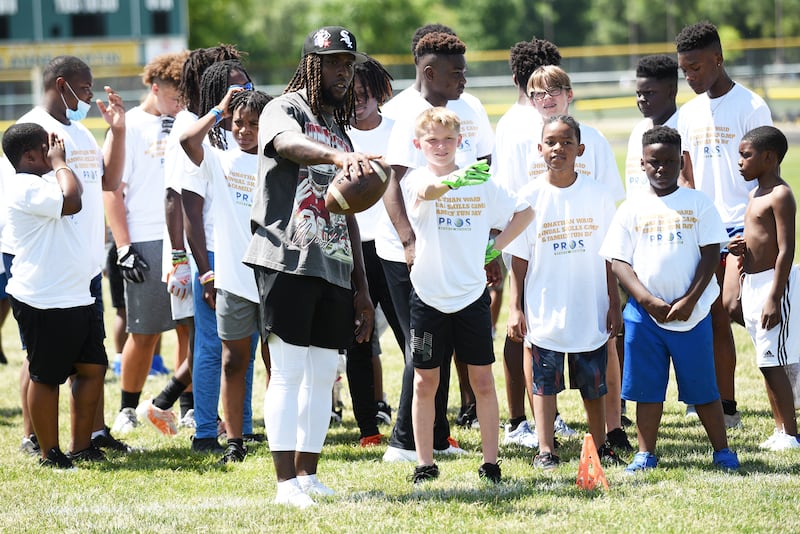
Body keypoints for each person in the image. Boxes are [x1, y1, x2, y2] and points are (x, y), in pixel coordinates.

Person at [242, 25, 374, 508]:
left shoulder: (339, 126)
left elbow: (350, 216)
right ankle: (284, 485)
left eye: (349, 63)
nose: (344, 71)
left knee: (323, 372)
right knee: (290, 369)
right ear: (313, 65)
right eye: (335, 63)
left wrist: (361, 285)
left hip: (334, 264)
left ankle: (308, 474)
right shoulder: (286, 108)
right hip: (287, 256)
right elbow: (285, 145)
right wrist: (341, 155)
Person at [403, 107, 533, 484]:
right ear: (419, 144)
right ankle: (424, 462)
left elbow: (524, 212)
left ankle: (490, 463)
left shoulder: (482, 182)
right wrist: (457, 180)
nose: (440, 147)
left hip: (471, 296)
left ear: (460, 141)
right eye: (432, 140)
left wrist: (495, 247)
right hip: (427, 296)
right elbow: (428, 192)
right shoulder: (417, 178)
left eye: (448, 140)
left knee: (482, 381)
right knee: (425, 382)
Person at [599, 125, 740, 472]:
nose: (661, 168)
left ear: (681, 162)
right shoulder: (631, 209)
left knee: (703, 387)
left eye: (669, 161)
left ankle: (721, 450)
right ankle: (645, 452)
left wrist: (691, 300)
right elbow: (619, 261)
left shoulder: (698, 203)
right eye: (653, 162)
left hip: (691, 314)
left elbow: (710, 254)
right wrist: (646, 301)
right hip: (645, 317)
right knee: (647, 390)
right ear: (642, 165)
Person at [381, 30, 491, 462]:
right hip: (407, 254)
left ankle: (437, 438)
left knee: (439, 347)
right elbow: (393, 189)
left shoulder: (469, 108)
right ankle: (403, 444)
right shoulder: (403, 113)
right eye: (457, 73)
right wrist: (409, 243)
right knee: (423, 348)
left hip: (458, 252)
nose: (464, 80)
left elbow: (483, 174)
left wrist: (485, 248)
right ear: (430, 72)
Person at [16, 55, 132, 455]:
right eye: (84, 89)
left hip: (86, 270)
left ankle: (88, 440)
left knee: (90, 365)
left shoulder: (80, 131)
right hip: (48, 274)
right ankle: (35, 439)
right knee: (42, 365)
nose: (89, 96)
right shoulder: (31, 133)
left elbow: (110, 180)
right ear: (61, 84)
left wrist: (117, 131)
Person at [506, 115, 624, 469]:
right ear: (539, 148)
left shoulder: (599, 196)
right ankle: (546, 449)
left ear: (580, 149)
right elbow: (520, 259)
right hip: (545, 307)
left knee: (594, 385)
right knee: (544, 385)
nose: (559, 148)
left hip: (589, 306)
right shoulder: (528, 198)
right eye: (551, 142)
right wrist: (515, 307)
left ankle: (600, 444)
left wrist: (614, 301)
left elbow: (609, 255)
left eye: (567, 142)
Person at [675, 21, 773, 429]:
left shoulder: (751, 107)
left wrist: (752, 226)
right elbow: (685, 175)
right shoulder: (687, 113)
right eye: (685, 70)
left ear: (718, 59)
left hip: (743, 228)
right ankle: (727, 407)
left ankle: (785, 365)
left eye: (696, 67)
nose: (691, 76)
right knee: (715, 316)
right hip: (705, 231)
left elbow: (765, 174)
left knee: (737, 307)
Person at [148, 44, 244, 432]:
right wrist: (179, 260)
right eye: (226, 76)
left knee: (221, 341)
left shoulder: (226, 125)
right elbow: (175, 197)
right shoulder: (192, 124)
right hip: (201, 251)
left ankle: (185, 407)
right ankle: (200, 418)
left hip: (228, 248)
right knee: (206, 341)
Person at [2, 123, 105, 468]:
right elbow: (72, 201)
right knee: (45, 376)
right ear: (31, 155)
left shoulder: (41, 183)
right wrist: (60, 162)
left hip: (76, 293)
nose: (54, 150)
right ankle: (50, 452)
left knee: (93, 368)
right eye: (47, 147)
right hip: (43, 298)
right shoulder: (24, 186)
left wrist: (60, 165)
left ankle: (81, 446)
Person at [179, 87, 272, 463]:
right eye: (239, 123)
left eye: (254, 124)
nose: (245, 130)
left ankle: (277, 430)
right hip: (232, 279)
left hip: (272, 279)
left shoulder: (278, 163)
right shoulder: (220, 160)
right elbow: (188, 139)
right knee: (232, 361)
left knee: (273, 360)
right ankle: (234, 442)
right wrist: (219, 109)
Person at [103, 51, 184, 435]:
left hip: (183, 235)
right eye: (173, 95)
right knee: (145, 332)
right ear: (155, 88)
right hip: (146, 236)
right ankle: (128, 407)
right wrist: (124, 246)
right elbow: (112, 191)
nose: (179, 103)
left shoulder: (186, 121)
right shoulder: (129, 125)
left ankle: (189, 407)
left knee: (190, 329)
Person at [493, 36, 561, 450]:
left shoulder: (519, 120)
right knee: (524, 325)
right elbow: (509, 187)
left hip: (541, 231)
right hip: (528, 233)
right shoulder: (518, 124)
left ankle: (537, 415)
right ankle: (520, 419)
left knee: (542, 324)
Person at [345, 56, 405, 446]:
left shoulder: (400, 131)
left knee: (412, 336)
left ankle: (434, 426)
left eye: (364, 95)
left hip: (395, 248)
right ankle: (368, 427)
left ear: (380, 93)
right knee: (359, 339)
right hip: (354, 248)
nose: (358, 102)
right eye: (351, 97)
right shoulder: (335, 135)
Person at [728, 126, 800, 451]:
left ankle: (791, 433)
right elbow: (761, 239)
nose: (740, 162)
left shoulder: (780, 194)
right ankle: (780, 429)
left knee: (773, 361)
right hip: (753, 283)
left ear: (769, 157)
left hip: (774, 285)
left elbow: (786, 249)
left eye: (746, 155)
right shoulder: (753, 194)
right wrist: (742, 250)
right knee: (763, 360)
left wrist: (774, 295)